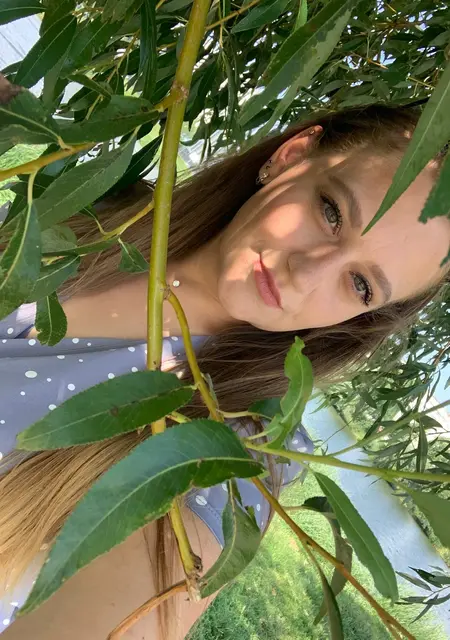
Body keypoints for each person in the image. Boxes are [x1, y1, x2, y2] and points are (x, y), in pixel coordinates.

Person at [0, 105, 448, 639]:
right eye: (331, 212)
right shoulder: (101, 214)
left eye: (360, 285)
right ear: (291, 157)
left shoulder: (234, 454)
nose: (307, 273)